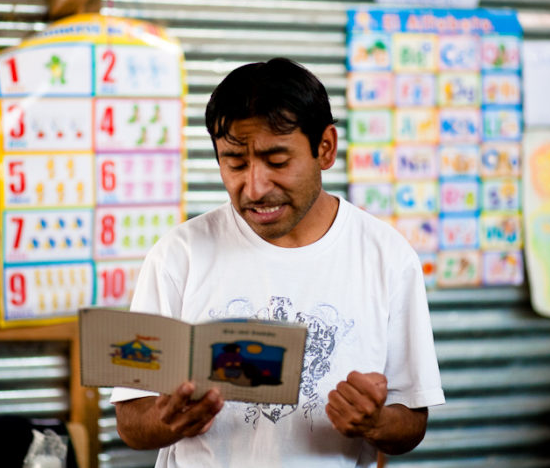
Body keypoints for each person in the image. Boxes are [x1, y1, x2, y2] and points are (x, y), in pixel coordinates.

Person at [111, 57, 445, 467]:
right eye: (234, 162)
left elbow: (411, 421)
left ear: (325, 148)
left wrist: (374, 423)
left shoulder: (387, 257)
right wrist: (168, 421)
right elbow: (130, 420)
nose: (254, 187)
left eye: (278, 161)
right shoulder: (177, 256)